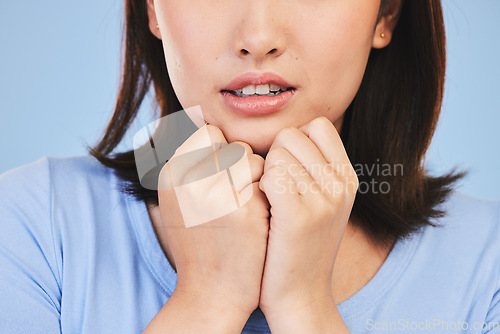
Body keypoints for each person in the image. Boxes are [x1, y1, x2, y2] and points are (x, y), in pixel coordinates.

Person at [0, 0, 499, 333]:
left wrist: (304, 305)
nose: (258, 38)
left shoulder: (488, 265)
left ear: (385, 14)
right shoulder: (32, 227)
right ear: (152, 8)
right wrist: (208, 297)